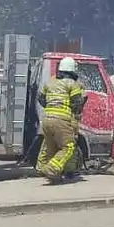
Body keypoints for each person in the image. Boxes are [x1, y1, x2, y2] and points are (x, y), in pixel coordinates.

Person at [36, 56, 86, 184]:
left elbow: (41, 99)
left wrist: (52, 107)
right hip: (61, 120)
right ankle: (52, 169)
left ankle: (45, 169)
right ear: (73, 70)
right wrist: (83, 99)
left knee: (51, 147)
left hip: (46, 120)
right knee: (68, 147)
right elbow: (76, 105)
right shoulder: (73, 84)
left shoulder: (50, 82)